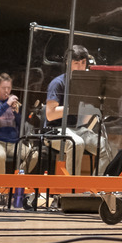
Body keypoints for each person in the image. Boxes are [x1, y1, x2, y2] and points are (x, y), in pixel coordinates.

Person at [45, 45, 106, 175]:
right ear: (68, 63)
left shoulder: (84, 85)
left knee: (104, 145)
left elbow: (83, 119)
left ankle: (96, 188)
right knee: (76, 143)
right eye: (76, 63)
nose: (80, 67)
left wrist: (96, 103)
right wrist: (73, 107)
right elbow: (50, 115)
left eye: (83, 63)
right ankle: (71, 190)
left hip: (76, 129)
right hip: (54, 130)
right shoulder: (58, 83)